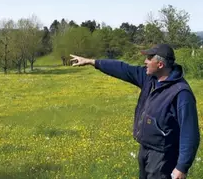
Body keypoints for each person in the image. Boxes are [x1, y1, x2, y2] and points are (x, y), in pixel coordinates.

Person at [70, 44, 200, 179]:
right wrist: (92, 62)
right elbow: (123, 69)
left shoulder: (181, 93)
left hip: (164, 156)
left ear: (160, 64)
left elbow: (190, 133)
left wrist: (182, 167)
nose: (145, 62)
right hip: (145, 149)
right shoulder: (149, 79)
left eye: (149, 59)